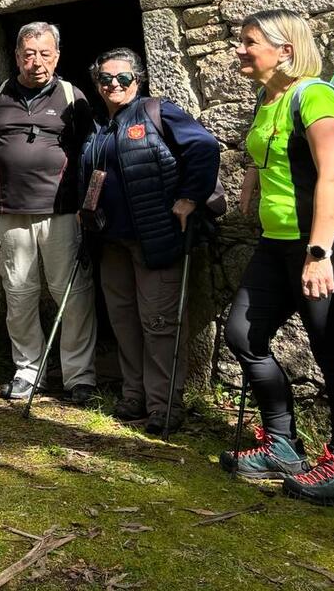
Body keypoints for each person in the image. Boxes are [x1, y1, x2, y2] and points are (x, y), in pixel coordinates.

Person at [220, 10, 334, 501]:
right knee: (243, 333)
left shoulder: (316, 95)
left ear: (285, 50)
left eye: (249, 41)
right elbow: (268, 149)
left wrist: (320, 252)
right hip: (275, 243)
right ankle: (282, 444)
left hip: (319, 243)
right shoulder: (267, 98)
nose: (238, 49)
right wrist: (253, 178)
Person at [78, 48, 221, 433]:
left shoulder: (156, 111)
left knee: (159, 323)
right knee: (124, 321)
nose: (114, 85)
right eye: (105, 79)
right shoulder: (98, 127)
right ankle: (133, 395)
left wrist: (189, 198)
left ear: (137, 80)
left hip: (155, 237)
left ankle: (163, 406)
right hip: (112, 242)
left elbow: (204, 147)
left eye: (122, 78)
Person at [0, 21, 98, 404]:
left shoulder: (72, 96)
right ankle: (28, 372)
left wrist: (82, 205)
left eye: (45, 53)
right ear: (16, 56)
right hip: (11, 211)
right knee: (19, 293)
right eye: (28, 54)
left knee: (72, 294)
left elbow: (88, 152)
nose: (36, 62)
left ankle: (79, 376)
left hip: (62, 212)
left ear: (57, 56)